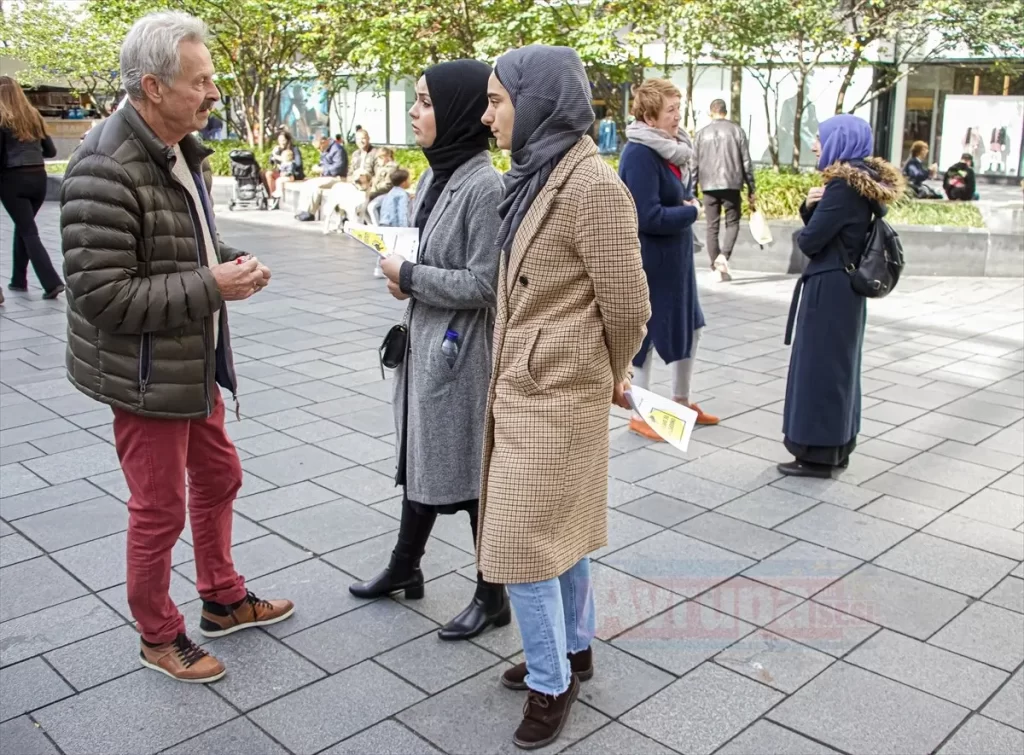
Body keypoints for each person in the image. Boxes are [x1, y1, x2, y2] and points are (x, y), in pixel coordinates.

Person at [60, 11, 293, 683]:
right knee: (158, 510)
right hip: (144, 378)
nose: (213, 93)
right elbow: (102, 296)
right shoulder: (104, 167)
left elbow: (182, 246)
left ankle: (222, 597)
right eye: (201, 81)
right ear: (154, 87)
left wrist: (230, 262)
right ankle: (158, 633)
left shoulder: (178, 149)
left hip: (191, 368)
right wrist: (209, 283)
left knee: (220, 475)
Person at [478, 46, 650, 750]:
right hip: (524, 388)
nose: (487, 116)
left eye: (497, 101)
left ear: (538, 101)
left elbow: (630, 305)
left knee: (520, 543)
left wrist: (607, 373)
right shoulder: (537, 174)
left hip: (558, 393)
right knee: (563, 534)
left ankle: (553, 681)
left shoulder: (591, 186)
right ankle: (574, 649)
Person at [351, 60, 506, 641]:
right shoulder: (443, 174)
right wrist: (405, 276)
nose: (414, 113)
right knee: (424, 454)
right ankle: (405, 566)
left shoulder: (484, 184)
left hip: (461, 354)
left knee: (468, 472)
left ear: (458, 110)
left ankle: (492, 594)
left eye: (424, 101)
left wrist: (411, 276)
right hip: (431, 345)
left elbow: (486, 283)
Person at [780, 114, 902, 478]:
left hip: (829, 288)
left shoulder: (842, 187)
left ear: (840, 141)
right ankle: (838, 446)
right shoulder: (864, 183)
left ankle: (815, 454)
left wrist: (809, 205)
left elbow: (810, 241)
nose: (815, 144)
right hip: (846, 290)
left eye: (820, 138)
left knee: (818, 370)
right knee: (840, 369)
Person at [620, 79, 719, 434]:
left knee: (691, 325)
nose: (678, 117)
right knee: (645, 337)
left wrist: (683, 206)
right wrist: (690, 212)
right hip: (651, 260)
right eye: (671, 110)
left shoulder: (673, 149)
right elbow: (646, 215)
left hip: (676, 259)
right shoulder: (640, 154)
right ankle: (639, 415)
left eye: (679, 108)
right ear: (649, 116)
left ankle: (681, 401)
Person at [0, 76, 65, 299]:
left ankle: (51, 282)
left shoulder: (2, 119)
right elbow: (51, 152)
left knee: (28, 231)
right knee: (24, 226)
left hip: (12, 180)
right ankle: (18, 280)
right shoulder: (33, 116)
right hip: (38, 179)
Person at [694, 98, 755, 282]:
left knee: (712, 226)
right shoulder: (737, 131)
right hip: (732, 183)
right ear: (725, 112)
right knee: (732, 222)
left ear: (710, 112)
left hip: (708, 185)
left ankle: (715, 267)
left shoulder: (701, 134)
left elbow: (693, 163)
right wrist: (752, 188)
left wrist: (691, 191)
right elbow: (746, 162)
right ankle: (724, 257)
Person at [295, 134, 349, 221]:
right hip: (328, 177)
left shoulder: (337, 149)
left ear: (323, 142)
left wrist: (322, 170)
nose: (318, 150)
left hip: (338, 177)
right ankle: (305, 210)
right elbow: (324, 163)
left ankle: (309, 212)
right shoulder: (325, 149)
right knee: (307, 184)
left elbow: (338, 167)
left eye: (319, 147)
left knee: (313, 184)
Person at [267, 130, 303, 208]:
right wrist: (273, 154)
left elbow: (298, 163)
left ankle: (276, 197)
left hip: (291, 174)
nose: (282, 142)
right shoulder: (278, 149)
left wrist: (283, 160)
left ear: (287, 140)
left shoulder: (294, 149)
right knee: (266, 173)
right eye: (279, 140)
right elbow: (271, 162)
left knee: (274, 177)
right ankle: (272, 196)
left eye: (283, 140)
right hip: (281, 172)